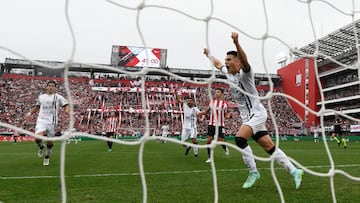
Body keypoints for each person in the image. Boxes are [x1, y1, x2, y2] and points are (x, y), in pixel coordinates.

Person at [203, 32, 303, 189]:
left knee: (239, 139)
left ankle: (253, 172)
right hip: (248, 118)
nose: (226, 63)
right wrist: (209, 55)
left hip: (257, 114)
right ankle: (294, 171)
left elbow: (245, 61)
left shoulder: (246, 73)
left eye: (229, 60)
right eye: (226, 60)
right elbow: (217, 64)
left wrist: (236, 43)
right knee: (269, 147)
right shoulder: (228, 74)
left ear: (237, 62)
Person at [26, 81, 69, 166]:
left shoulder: (58, 97)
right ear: (46, 87)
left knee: (50, 142)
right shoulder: (41, 97)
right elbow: (37, 107)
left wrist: (66, 111)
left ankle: (47, 156)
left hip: (52, 122)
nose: (50, 87)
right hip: (41, 120)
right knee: (38, 138)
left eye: (52, 86)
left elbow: (66, 105)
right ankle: (41, 147)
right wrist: (30, 113)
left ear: (55, 88)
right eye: (49, 86)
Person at [198, 88, 232, 163]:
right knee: (209, 140)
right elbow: (206, 111)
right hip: (211, 124)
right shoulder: (211, 102)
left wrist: (229, 116)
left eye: (218, 92)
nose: (216, 93)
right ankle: (210, 157)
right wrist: (200, 113)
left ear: (221, 94)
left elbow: (226, 114)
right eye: (216, 92)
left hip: (220, 125)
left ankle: (225, 148)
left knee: (221, 140)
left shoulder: (225, 104)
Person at [174, 89, 200, 157]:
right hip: (185, 127)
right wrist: (176, 92)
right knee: (182, 142)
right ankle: (188, 147)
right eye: (187, 101)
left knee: (193, 139)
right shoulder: (185, 105)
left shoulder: (195, 109)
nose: (188, 102)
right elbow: (179, 100)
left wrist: (202, 118)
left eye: (190, 101)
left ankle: (196, 153)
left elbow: (201, 114)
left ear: (193, 102)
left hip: (192, 126)